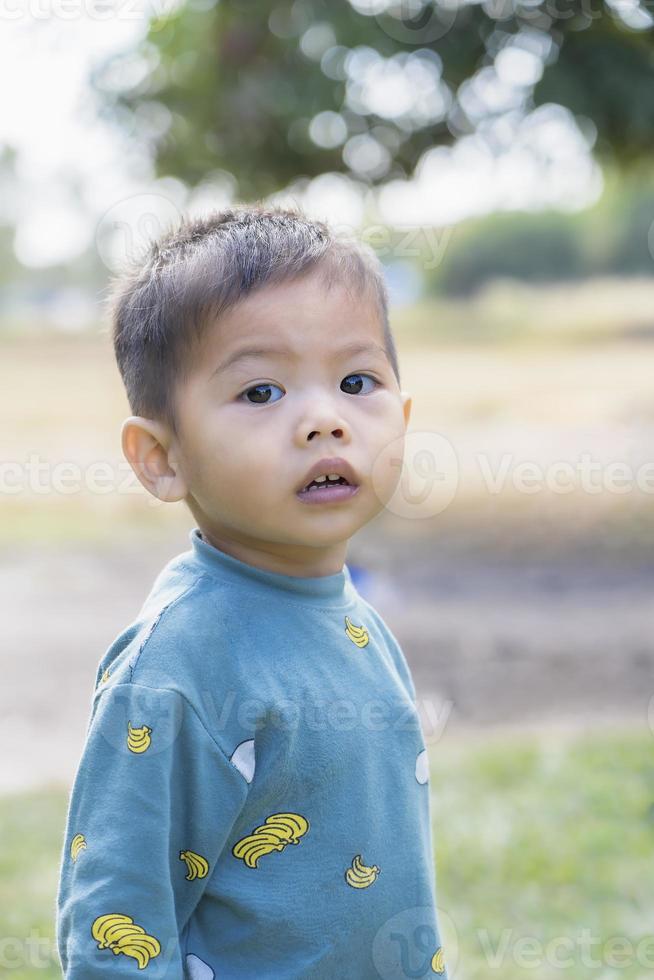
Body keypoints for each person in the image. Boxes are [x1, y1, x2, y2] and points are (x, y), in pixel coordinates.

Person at [55, 204, 448, 978]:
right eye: (262, 392)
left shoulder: (355, 619)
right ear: (162, 458)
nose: (324, 420)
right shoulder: (178, 667)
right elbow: (114, 926)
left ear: (402, 418)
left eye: (356, 380)